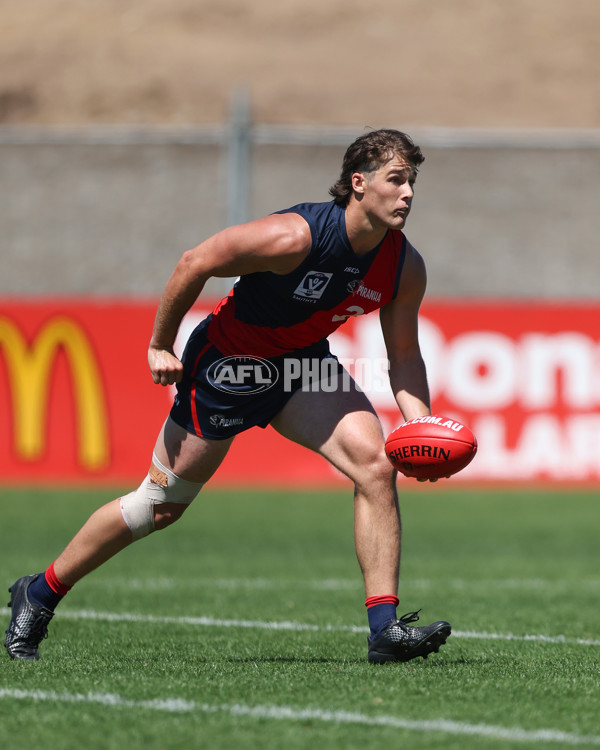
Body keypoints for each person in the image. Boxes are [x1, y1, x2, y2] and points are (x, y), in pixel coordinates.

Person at [5, 128, 451, 664]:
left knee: (377, 466)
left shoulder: (404, 265)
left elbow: (403, 354)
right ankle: (40, 591)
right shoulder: (293, 237)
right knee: (159, 506)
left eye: (412, 182)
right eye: (396, 180)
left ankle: (385, 630)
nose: (407, 193)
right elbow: (195, 261)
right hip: (227, 363)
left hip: (302, 364)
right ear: (358, 184)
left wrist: (420, 427)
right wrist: (158, 345)